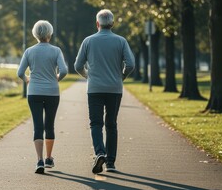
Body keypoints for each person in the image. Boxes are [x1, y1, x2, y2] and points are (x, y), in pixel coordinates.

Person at [74, 9, 135, 174]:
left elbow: (78, 66)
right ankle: (111, 163)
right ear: (112, 24)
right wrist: (121, 77)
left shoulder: (88, 41)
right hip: (114, 88)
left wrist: (88, 76)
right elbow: (130, 64)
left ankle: (100, 152)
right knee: (111, 124)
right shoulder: (121, 41)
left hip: (94, 89)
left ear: (97, 23)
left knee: (95, 123)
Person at [17, 20, 68, 174]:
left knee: (38, 126)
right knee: (49, 125)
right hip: (52, 91)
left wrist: (28, 80)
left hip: (34, 92)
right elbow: (64, 70)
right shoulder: (56, 51)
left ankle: (39, 160)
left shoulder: (29, 51)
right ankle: (49, 158)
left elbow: (20, 72)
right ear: (50, 34)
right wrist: (56, 79)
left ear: (35, 34)